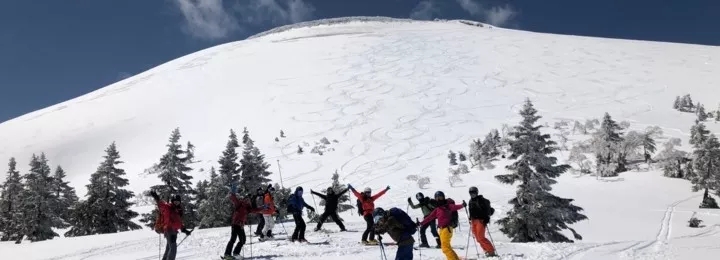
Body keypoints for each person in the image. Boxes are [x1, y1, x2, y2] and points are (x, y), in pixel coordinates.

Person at [418, 191, 466, 260]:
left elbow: (455, 207)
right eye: (437, 198)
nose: (438, 199)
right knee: (447, 246)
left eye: (440, 197)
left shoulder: (447, 206)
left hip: (447, 228)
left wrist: (462, 205)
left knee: (444, 247)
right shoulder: (437, 209)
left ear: (443, 197)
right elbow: (429, 217)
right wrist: (421, 223)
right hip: (441, 229)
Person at [149, 190, 192, 260]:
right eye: (175, 201)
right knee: (173, 248)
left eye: (178, 201)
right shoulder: (168, 207)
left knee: (169, 248)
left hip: (174, 231)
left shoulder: (178, 210)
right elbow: (161, 205)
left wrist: (184, 230)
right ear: (172, 201)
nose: (176, 202)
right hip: (169, 230)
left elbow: (179, 222)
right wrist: (157, 198)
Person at [223, 184, 262, 260]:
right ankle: (230, 254)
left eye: (249, 199)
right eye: (247, 198)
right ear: (244, 198)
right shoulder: (239, 204)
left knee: (241, 240)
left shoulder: (248, 207)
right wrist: (232, 192)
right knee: (236, 239)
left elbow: (254, 210)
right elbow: (233, 199)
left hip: (240, 225)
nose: (248, 200)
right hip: (236, 224)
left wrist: (262, 208)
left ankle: (233, 253)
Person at [468, 186, 497, 257]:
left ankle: (491, 251)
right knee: (477, 238)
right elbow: (471, 211)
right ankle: (486, 250)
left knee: (481, 237)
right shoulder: (470, 201)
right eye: (471, 193)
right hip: (473, 221)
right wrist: (470, 218)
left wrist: (486, 218)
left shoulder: (481, 200)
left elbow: (486, 211)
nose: (472, 194)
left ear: (477, 193)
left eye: (474, 193)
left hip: (480, 221)